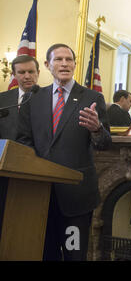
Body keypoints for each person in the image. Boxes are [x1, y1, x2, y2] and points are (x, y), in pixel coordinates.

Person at [16, 43, 112, 260]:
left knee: (74, 254)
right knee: (45, 254)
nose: (64, 63)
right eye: (58, 59)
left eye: (69, 59)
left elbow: (105, 144)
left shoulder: (91, 98)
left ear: (75, 65)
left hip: (76, 198)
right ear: (47, 65)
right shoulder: (34, 97)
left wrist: (97, 129)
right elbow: (24, 140)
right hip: (40, 195)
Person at [0, 54, 40, 240]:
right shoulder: (3, 99)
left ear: (38, 73)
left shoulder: (47, 98)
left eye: (31, 71)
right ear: (14, 75)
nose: (27, 76)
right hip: (4, 172)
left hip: (36, 173)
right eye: (21, 72)